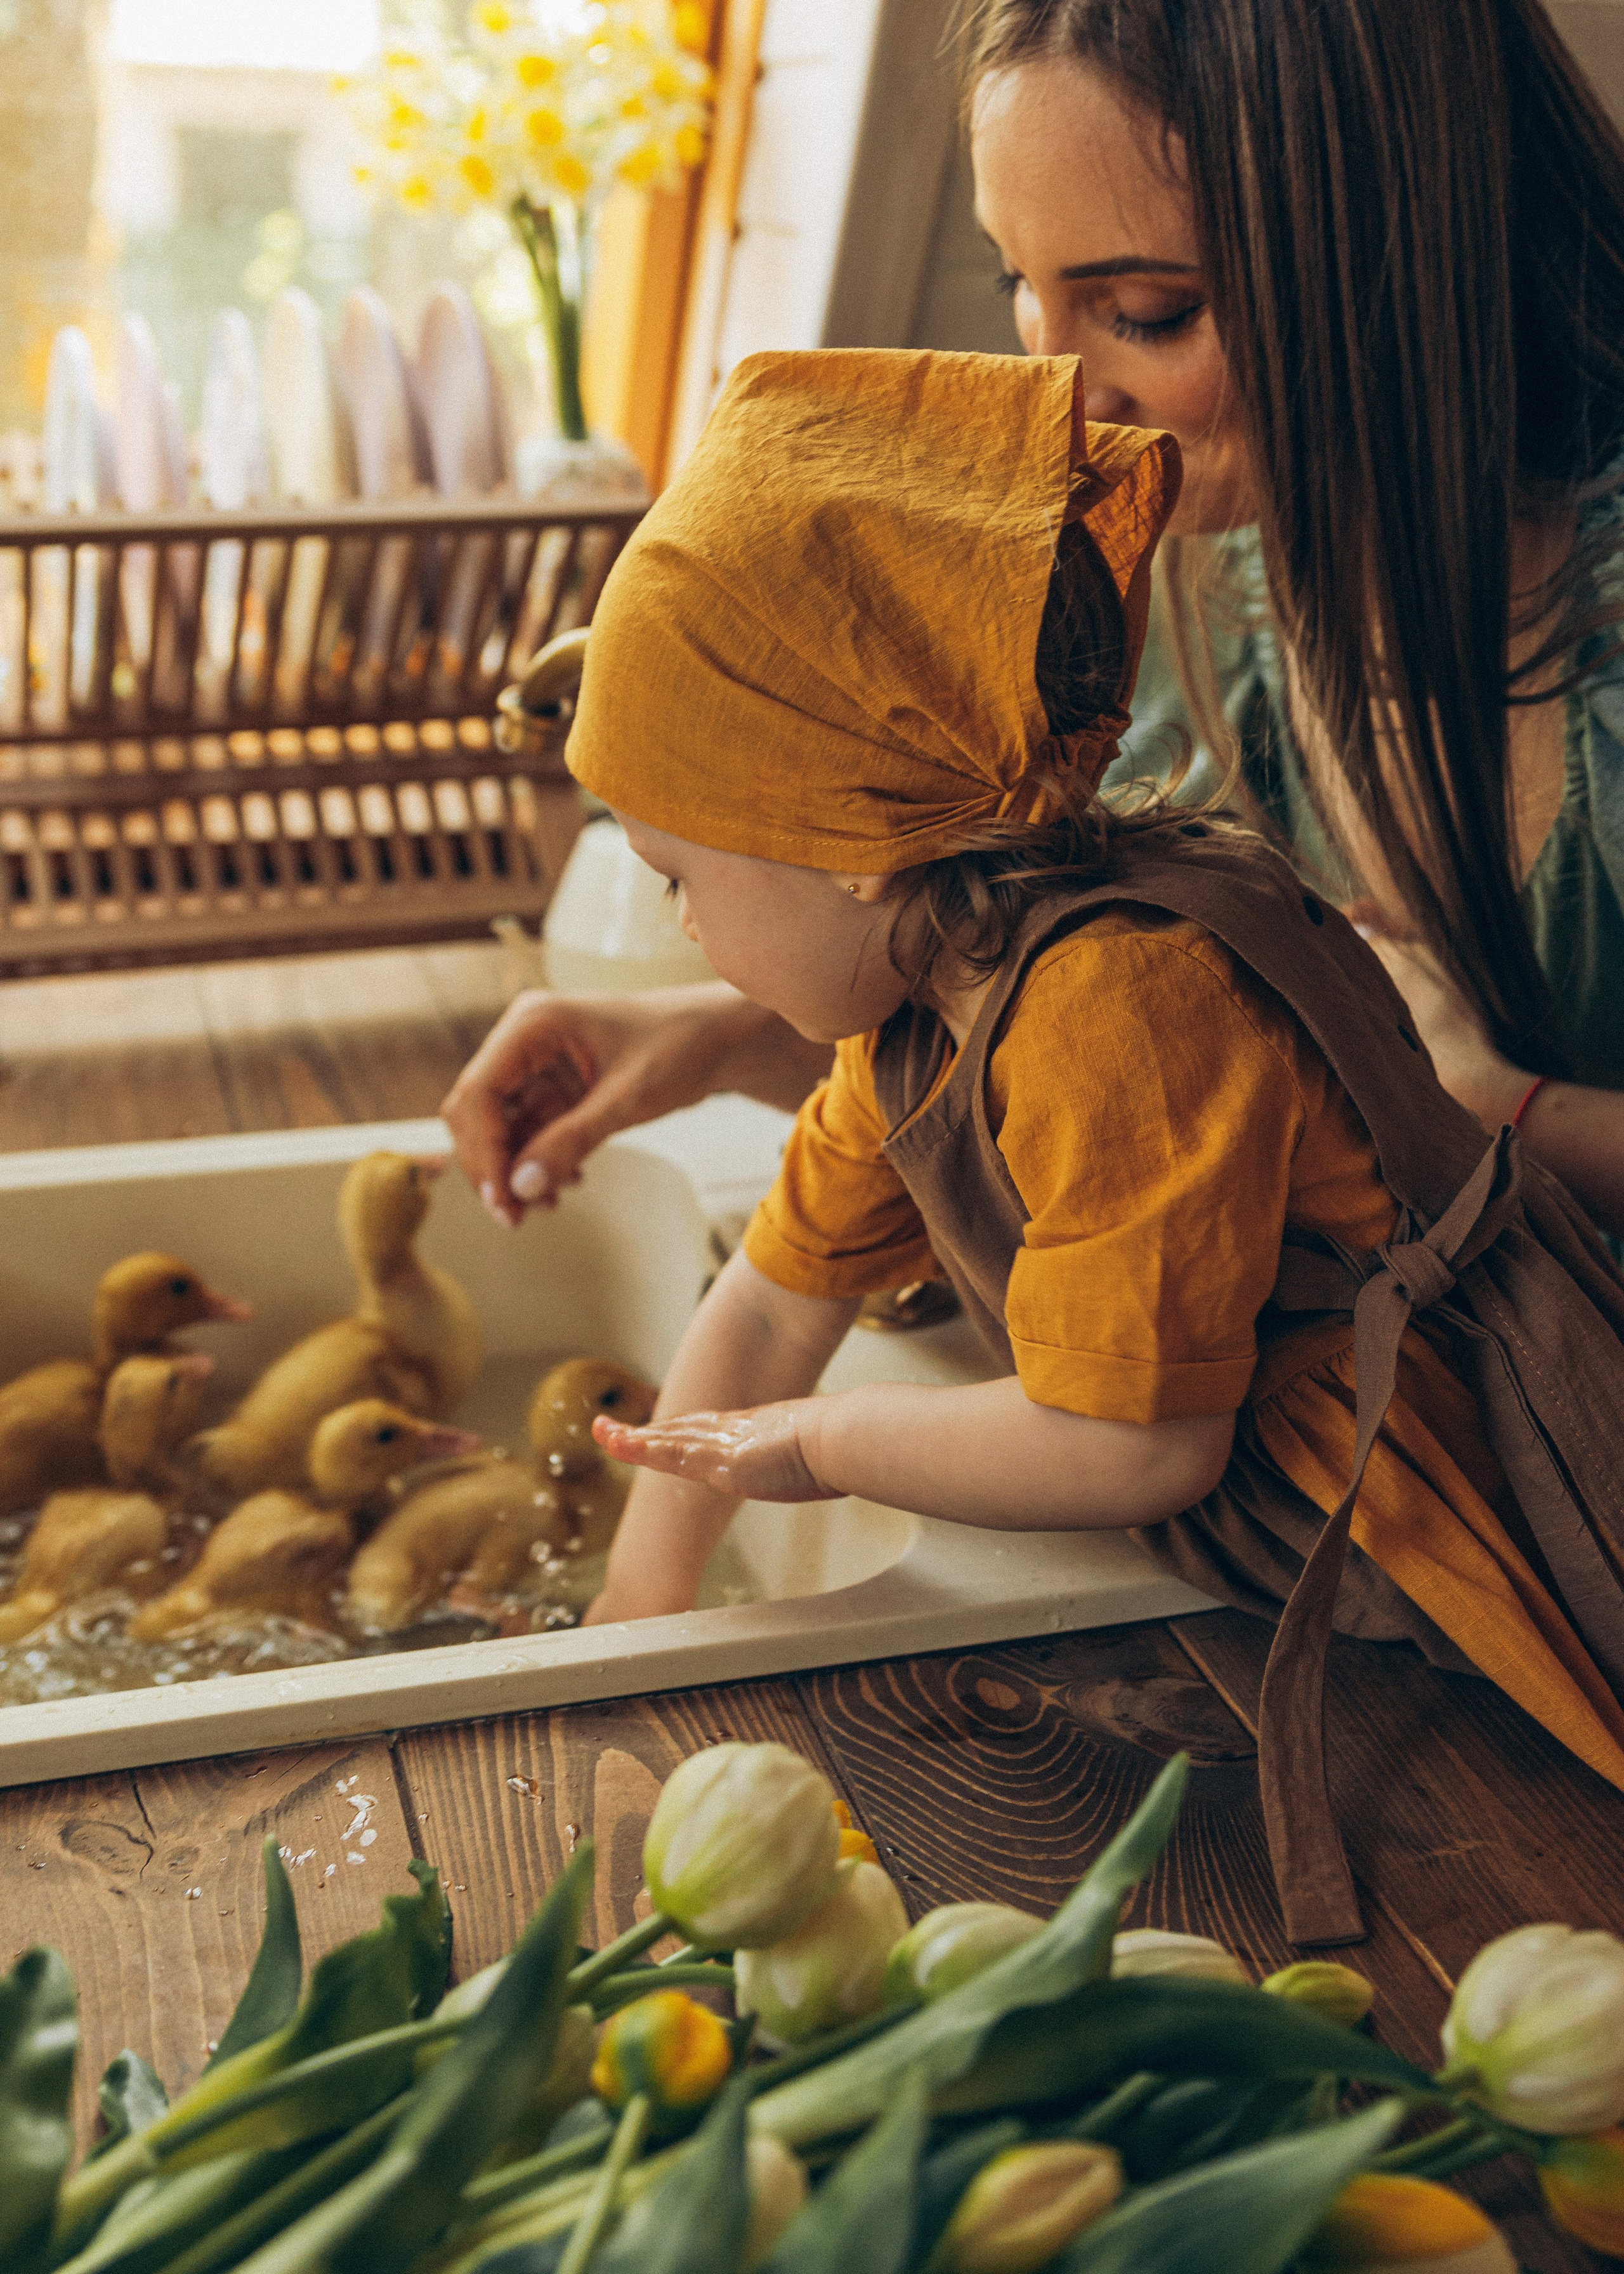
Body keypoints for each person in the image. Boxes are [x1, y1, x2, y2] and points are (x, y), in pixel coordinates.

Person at [546, 343, 1624, 1943]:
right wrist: (637, 1609)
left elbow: (1132, 1446)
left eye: (680, 872)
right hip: (1278, 1498)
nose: (679, 923)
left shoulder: (1113, 1003)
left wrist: (813, 1447)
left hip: (1475, 1480)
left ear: (844, 843)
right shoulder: (917, 994)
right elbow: (774, 1300)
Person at [443, 0, 1624, 1235]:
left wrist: (1482, 1101)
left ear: (1398, 250)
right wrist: (709, 1039)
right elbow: (1090, 1037)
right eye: (1020, 281)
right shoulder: (1191, 597)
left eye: (1149, 312)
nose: (1057, 389)